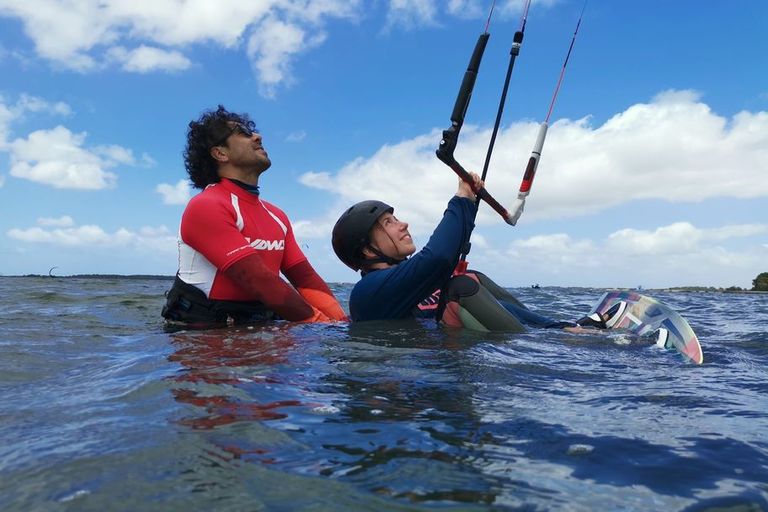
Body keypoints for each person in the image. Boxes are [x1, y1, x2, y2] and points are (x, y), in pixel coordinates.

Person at [331, 172, 619, 331]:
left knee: (471, 277)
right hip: (438, 371)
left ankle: (564, 329)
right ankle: (562, 341)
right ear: (367, 251)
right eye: (388, 224)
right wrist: (461, 199)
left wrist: (469, 204)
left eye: (396, 218)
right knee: (461, 286)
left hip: (476, 345)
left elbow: (445, 259)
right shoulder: (367, 293)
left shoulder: (411, 283)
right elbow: (438, 257)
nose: (403, 224)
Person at [162, 105, 347, 326]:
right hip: (204, 334)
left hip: (258, 328)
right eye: (244, 133)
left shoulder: (276, 215)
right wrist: (320, 323)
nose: (258, 136)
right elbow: (258, 280)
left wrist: (341, 325)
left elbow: (305, 279)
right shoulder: (206, 206)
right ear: (220, 153)